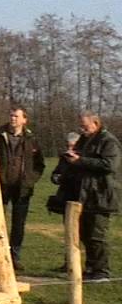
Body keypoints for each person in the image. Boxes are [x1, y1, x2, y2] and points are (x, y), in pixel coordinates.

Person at [55, 113, 120, 280]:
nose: (81, 130)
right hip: (85, 194)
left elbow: (109, 165)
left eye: (85, 126)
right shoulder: (85, 140)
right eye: (81, 126)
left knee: (97, 234)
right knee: (84, 233)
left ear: (96, 123)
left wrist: (80, 160)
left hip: (101, 195)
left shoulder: (108, 141)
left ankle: (102, 271)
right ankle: (90, 267)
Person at [0, 106, 44, 269]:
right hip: (0, 186)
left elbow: (39, 164)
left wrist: (30, 180)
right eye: (11, 116)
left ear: (24, 119)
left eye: (16, 116)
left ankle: (14, 256)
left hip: (22, 188)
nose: (13, 119)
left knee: (18, 223)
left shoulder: (31, 139)